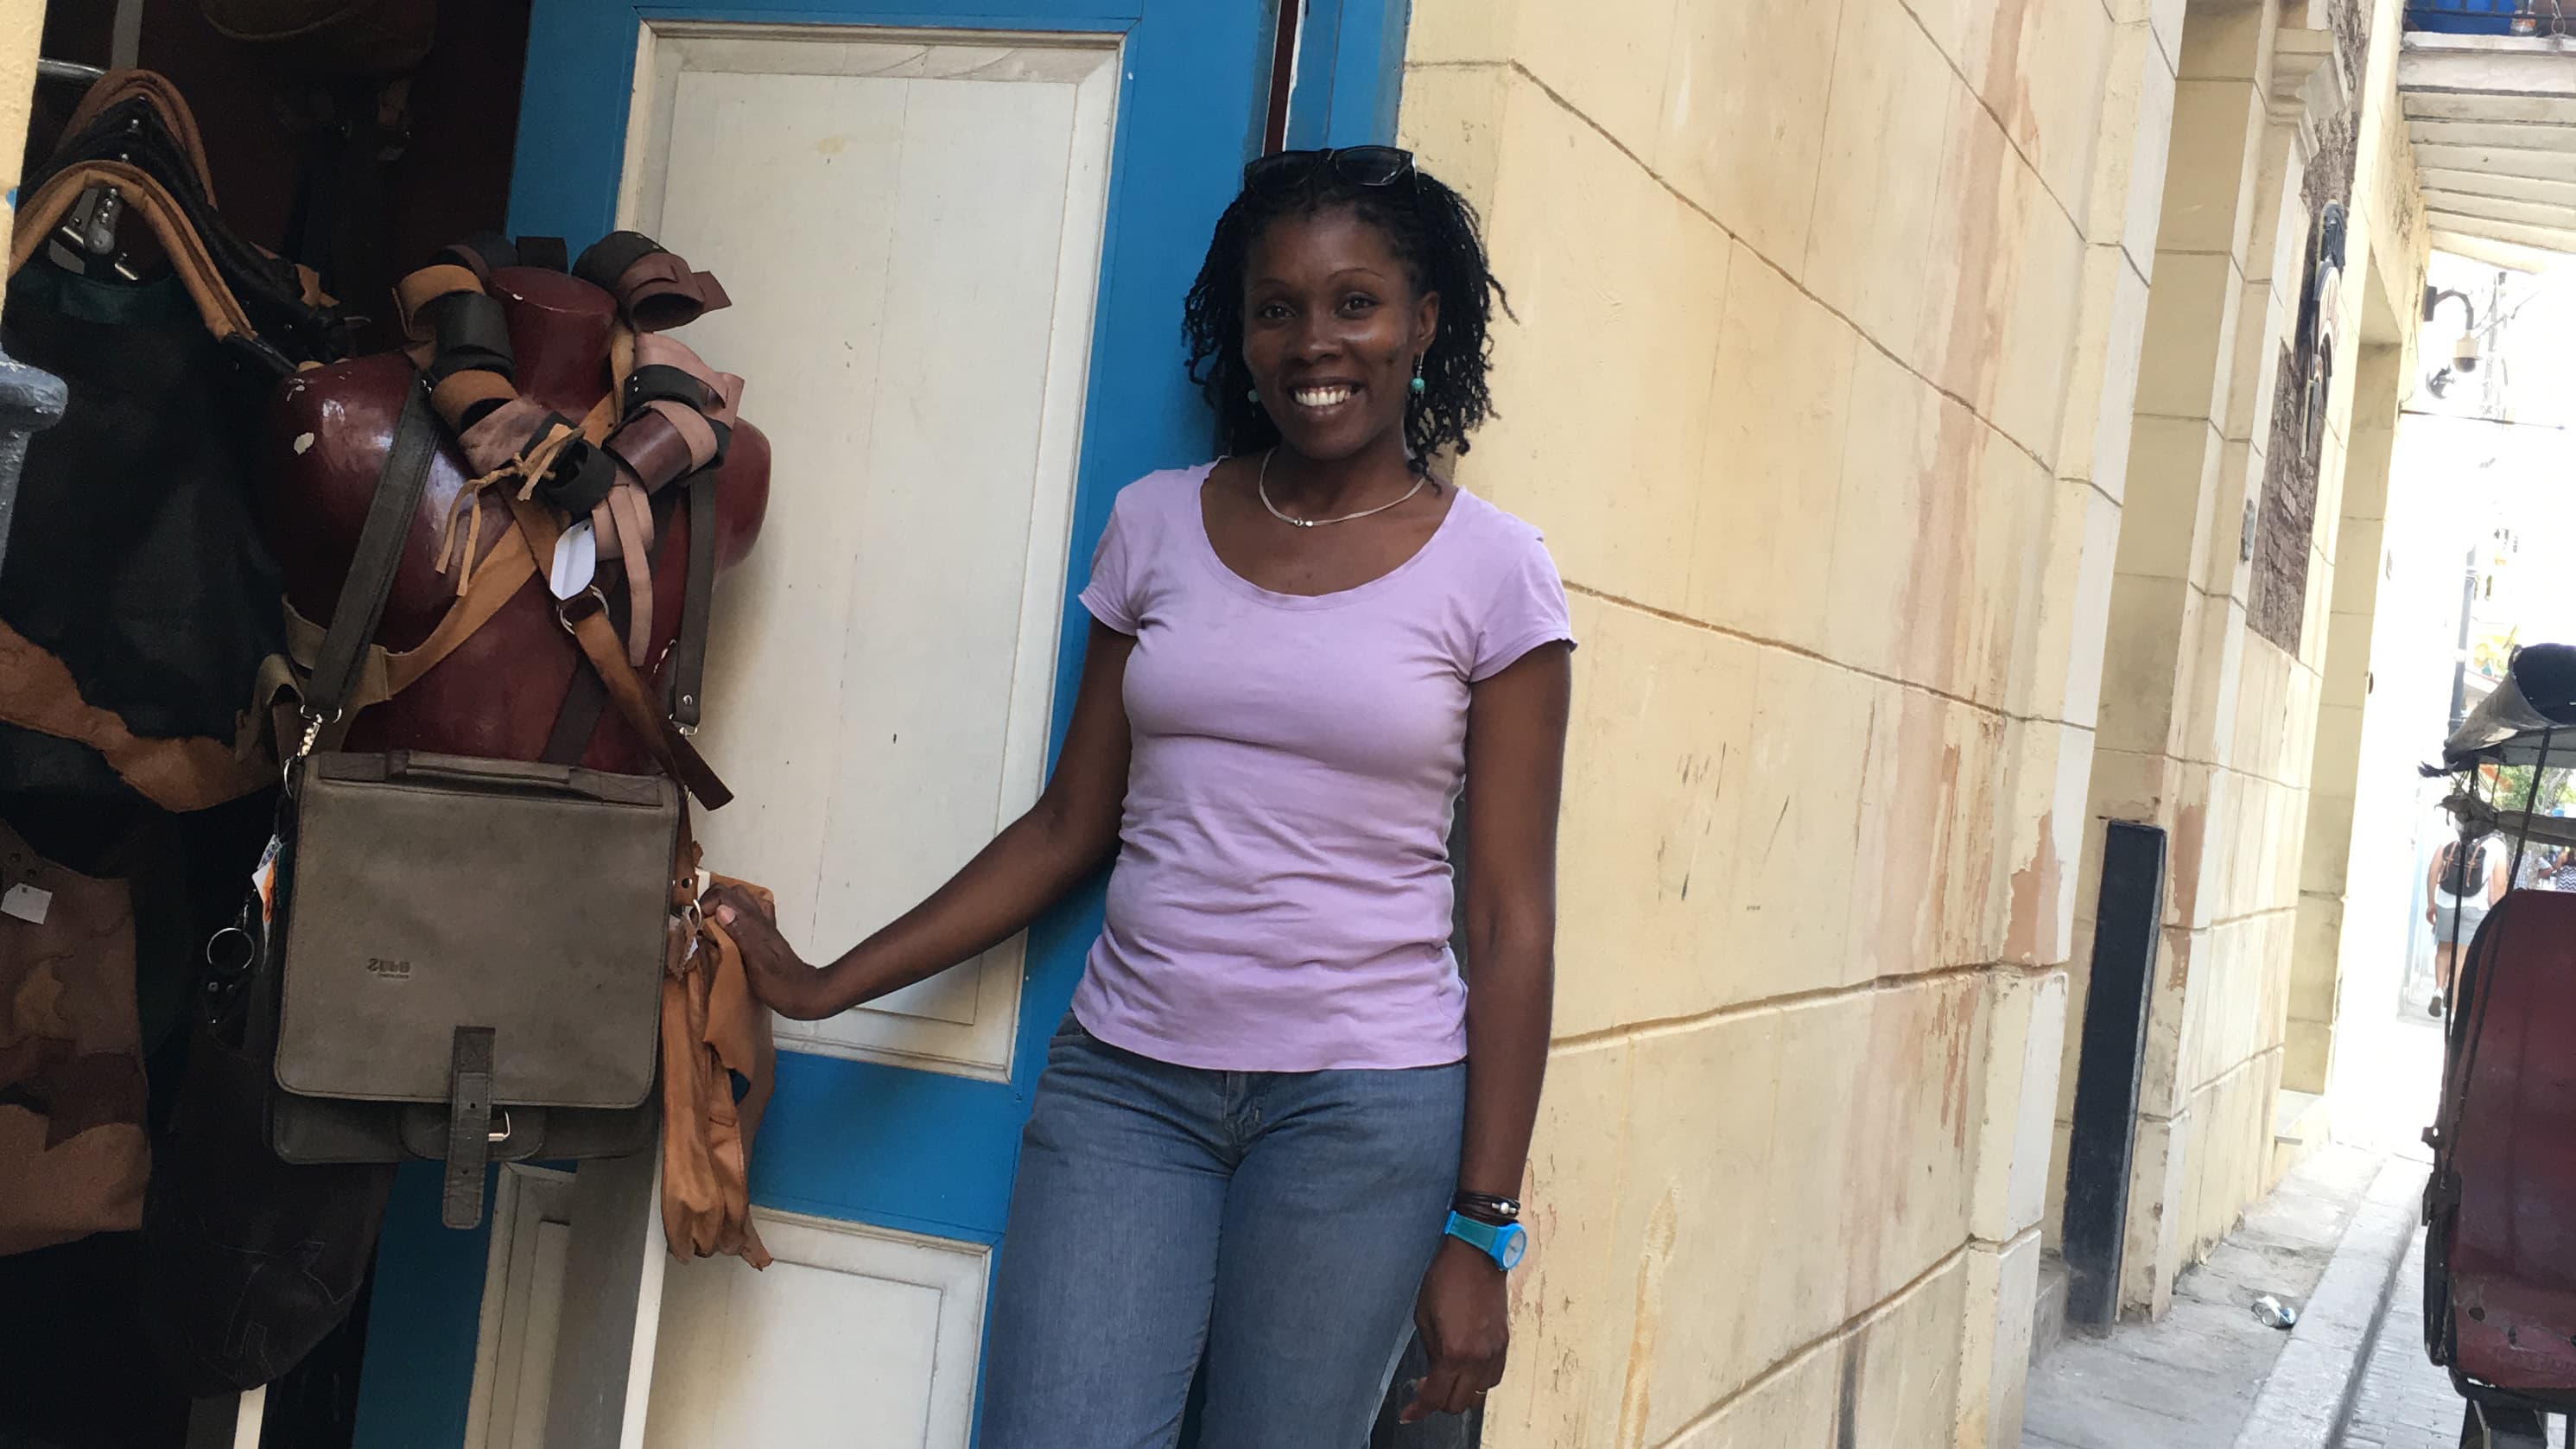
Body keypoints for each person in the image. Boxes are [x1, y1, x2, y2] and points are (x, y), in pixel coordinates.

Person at [709, 145, 1572, 1448]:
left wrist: (1483, 1224)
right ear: (1241, 331)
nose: (1314, 341)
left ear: (1424, 322)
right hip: (1128, 1089)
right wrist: (829, 983)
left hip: (1363, 1108)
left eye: (1355, 303)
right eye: (1276, 307)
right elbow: (1072, 824)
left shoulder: (1496, 573)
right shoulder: (1157, 524)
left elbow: (1508, 921)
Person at [2426, 828, 2508, 1016]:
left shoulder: (2449, 836)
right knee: (2462, 958)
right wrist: (2497, 915)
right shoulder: (2496, 846)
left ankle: (2439, 989)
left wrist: (2431, 903)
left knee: (2444, 949)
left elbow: (2433, 872)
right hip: (2476, 907)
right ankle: (2454, 1009)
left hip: (2446, 903)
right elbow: (2499, 886)